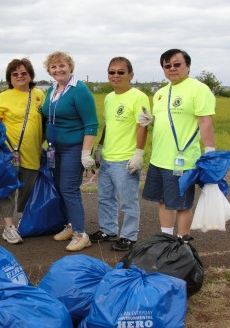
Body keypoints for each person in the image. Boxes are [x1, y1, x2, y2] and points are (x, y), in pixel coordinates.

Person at [141, 48, 216, 239]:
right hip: (159, 159)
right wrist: (151, 120)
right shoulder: (160, 93)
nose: (172, 69)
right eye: (167, 66)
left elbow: (205, 121)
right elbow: (165, 121)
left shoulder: (198, 89)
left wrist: (209, 151)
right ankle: (166, 240)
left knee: (182, 205)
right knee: (163, 201)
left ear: (187, 66)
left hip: (182, 160)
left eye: (177, 65)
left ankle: (183, 242)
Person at [89, 57, 151, 251]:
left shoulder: (138, 96)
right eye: (112, 72)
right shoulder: (109, 98)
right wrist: (99, 148)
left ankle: (129, 236)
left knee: (128, 200)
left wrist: (138, 154)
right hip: (108, 157)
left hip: (126, 159)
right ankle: (108, 230)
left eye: (120, 72)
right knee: (105, 197)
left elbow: (143, 125)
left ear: (130, 75)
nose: (116, 76)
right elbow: (109, 125)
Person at [41, 51, 98, 251]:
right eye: (54, 67)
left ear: (70, 67)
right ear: (49, 71)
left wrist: (86, 152)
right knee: (59, 187)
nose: (58, 70)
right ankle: (71, 225)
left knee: (69, 188)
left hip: (73, 148)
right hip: (54, 149)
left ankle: (82, 234)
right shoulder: (52, 89)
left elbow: (91, 123)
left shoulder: (79, 89)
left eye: (62, 65)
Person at [0, 58, 46, 244]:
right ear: (10, 77)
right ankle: (8, 227)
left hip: (32, 153)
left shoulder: (39, 95)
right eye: (15, 74)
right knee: (6, 190)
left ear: (31, 75)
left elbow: (46, 122)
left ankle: (24, 221)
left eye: (24, 73)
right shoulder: (2, 97)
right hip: (8, 154)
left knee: (28, 191)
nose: (20, 76)